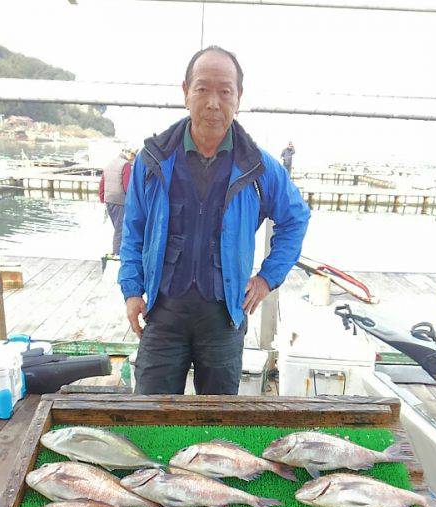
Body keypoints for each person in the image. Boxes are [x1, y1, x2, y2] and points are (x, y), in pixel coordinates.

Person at [119, 46, 310, 395]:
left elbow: (295, 218)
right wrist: (132, 291)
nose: (213, 103)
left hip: (224, 316)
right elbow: (133, 231)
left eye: (225, 91)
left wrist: (267, 278)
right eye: (202, 89)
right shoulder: (152, 161)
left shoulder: (259, 167)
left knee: (219, 416)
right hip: (163, 312)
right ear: (185, 92)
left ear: (239, 97)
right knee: (149, 413)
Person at [99, 148, 136, 255]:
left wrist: (102, 198)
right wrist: (133, 201)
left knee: (117, 227)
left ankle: (119, 252)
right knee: (120, 229)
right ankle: (117, 254)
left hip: (108, 200)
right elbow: (127, 185)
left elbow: (102, 182)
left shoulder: (110, 163)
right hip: (119, 201)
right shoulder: (125, 165)